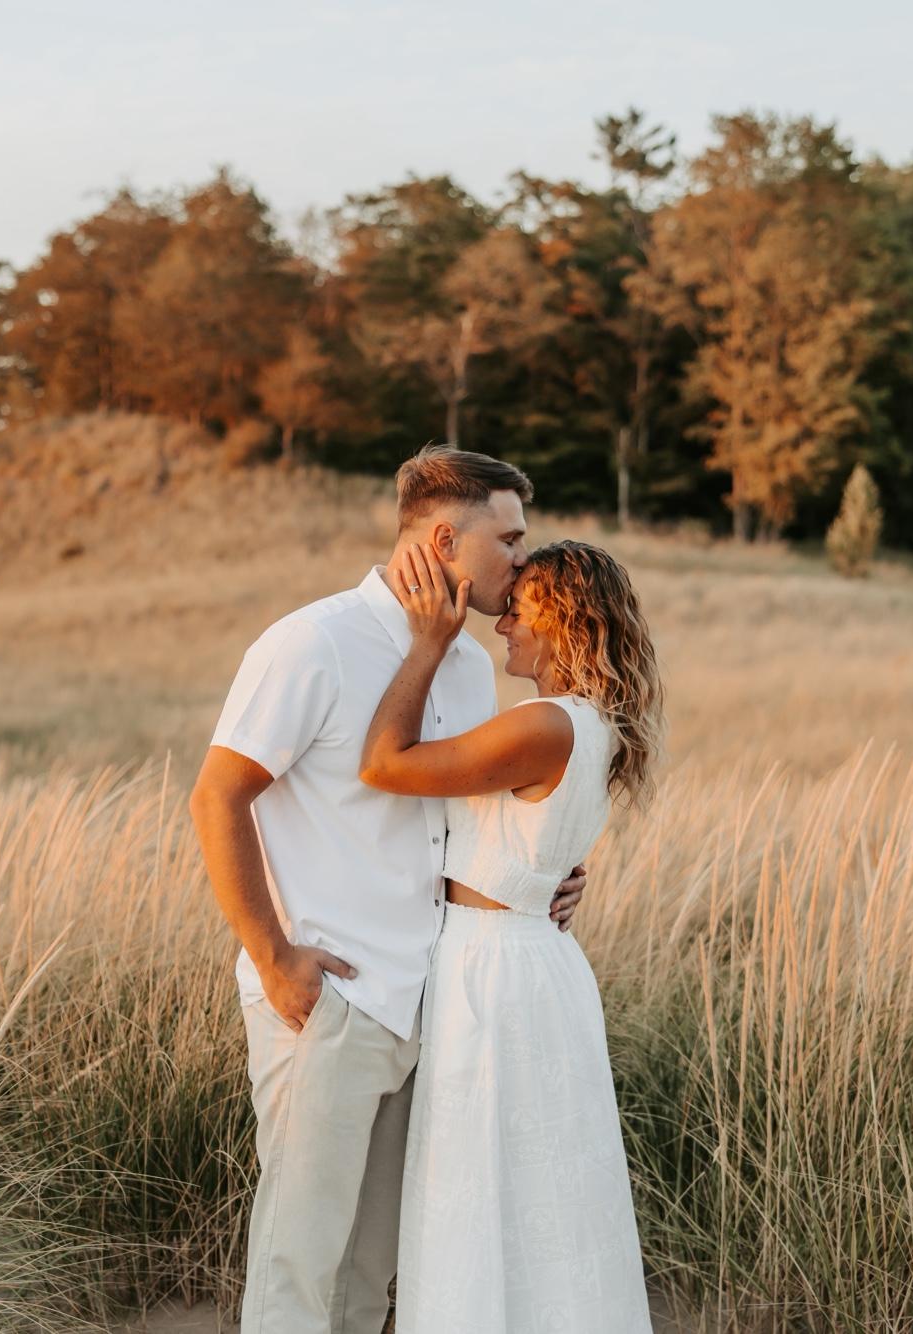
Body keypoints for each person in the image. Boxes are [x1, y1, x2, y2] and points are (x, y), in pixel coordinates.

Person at [188, 446, 588, 1334]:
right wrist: (274, 958)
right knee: (299, 1262)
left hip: (429, 1000)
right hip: (329, 998)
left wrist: (546, 875)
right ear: (445, 540)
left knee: (371, 1275)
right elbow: (217, 796)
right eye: (508, 539)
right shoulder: (313, 642)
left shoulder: (470, 667)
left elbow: (461, 818)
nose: (523, 558)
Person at [359, 537, 664, 1333]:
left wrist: (428, 644)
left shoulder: (543, 725)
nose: (502, 627)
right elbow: (530, 844)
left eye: (520, 613)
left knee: (477, 1187)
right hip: (530, 961)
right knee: (539, 1192)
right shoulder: (594, 724)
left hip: (493, 973)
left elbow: (384, 765)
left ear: (564, 622)